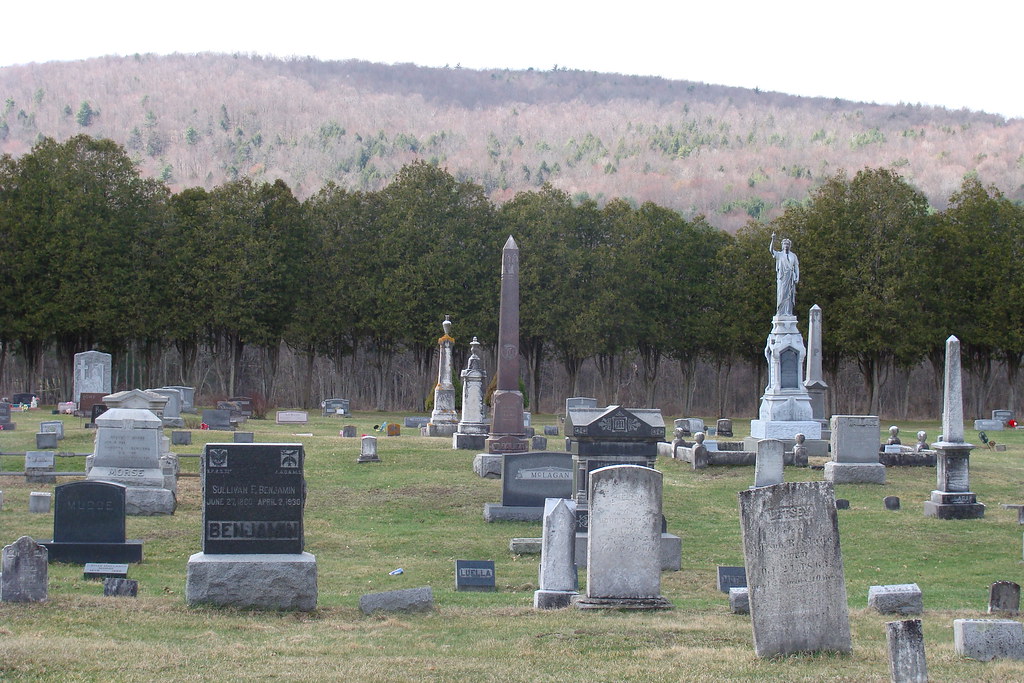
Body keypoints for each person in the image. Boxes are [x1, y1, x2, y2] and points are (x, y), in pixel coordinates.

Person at [769, 233, 799, 316]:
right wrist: (773, 240)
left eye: (788, 244)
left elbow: (796, 266)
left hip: (790, 278)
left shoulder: (793, 255)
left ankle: (789, 312)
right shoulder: (779, 254)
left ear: (790, 246)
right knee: (782, 294)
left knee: (790, 296)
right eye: (785, 244)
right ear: (782, 245)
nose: (786, 245)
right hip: (782, 278)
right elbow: (771, 250)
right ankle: (781, 312)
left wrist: (797, 277)